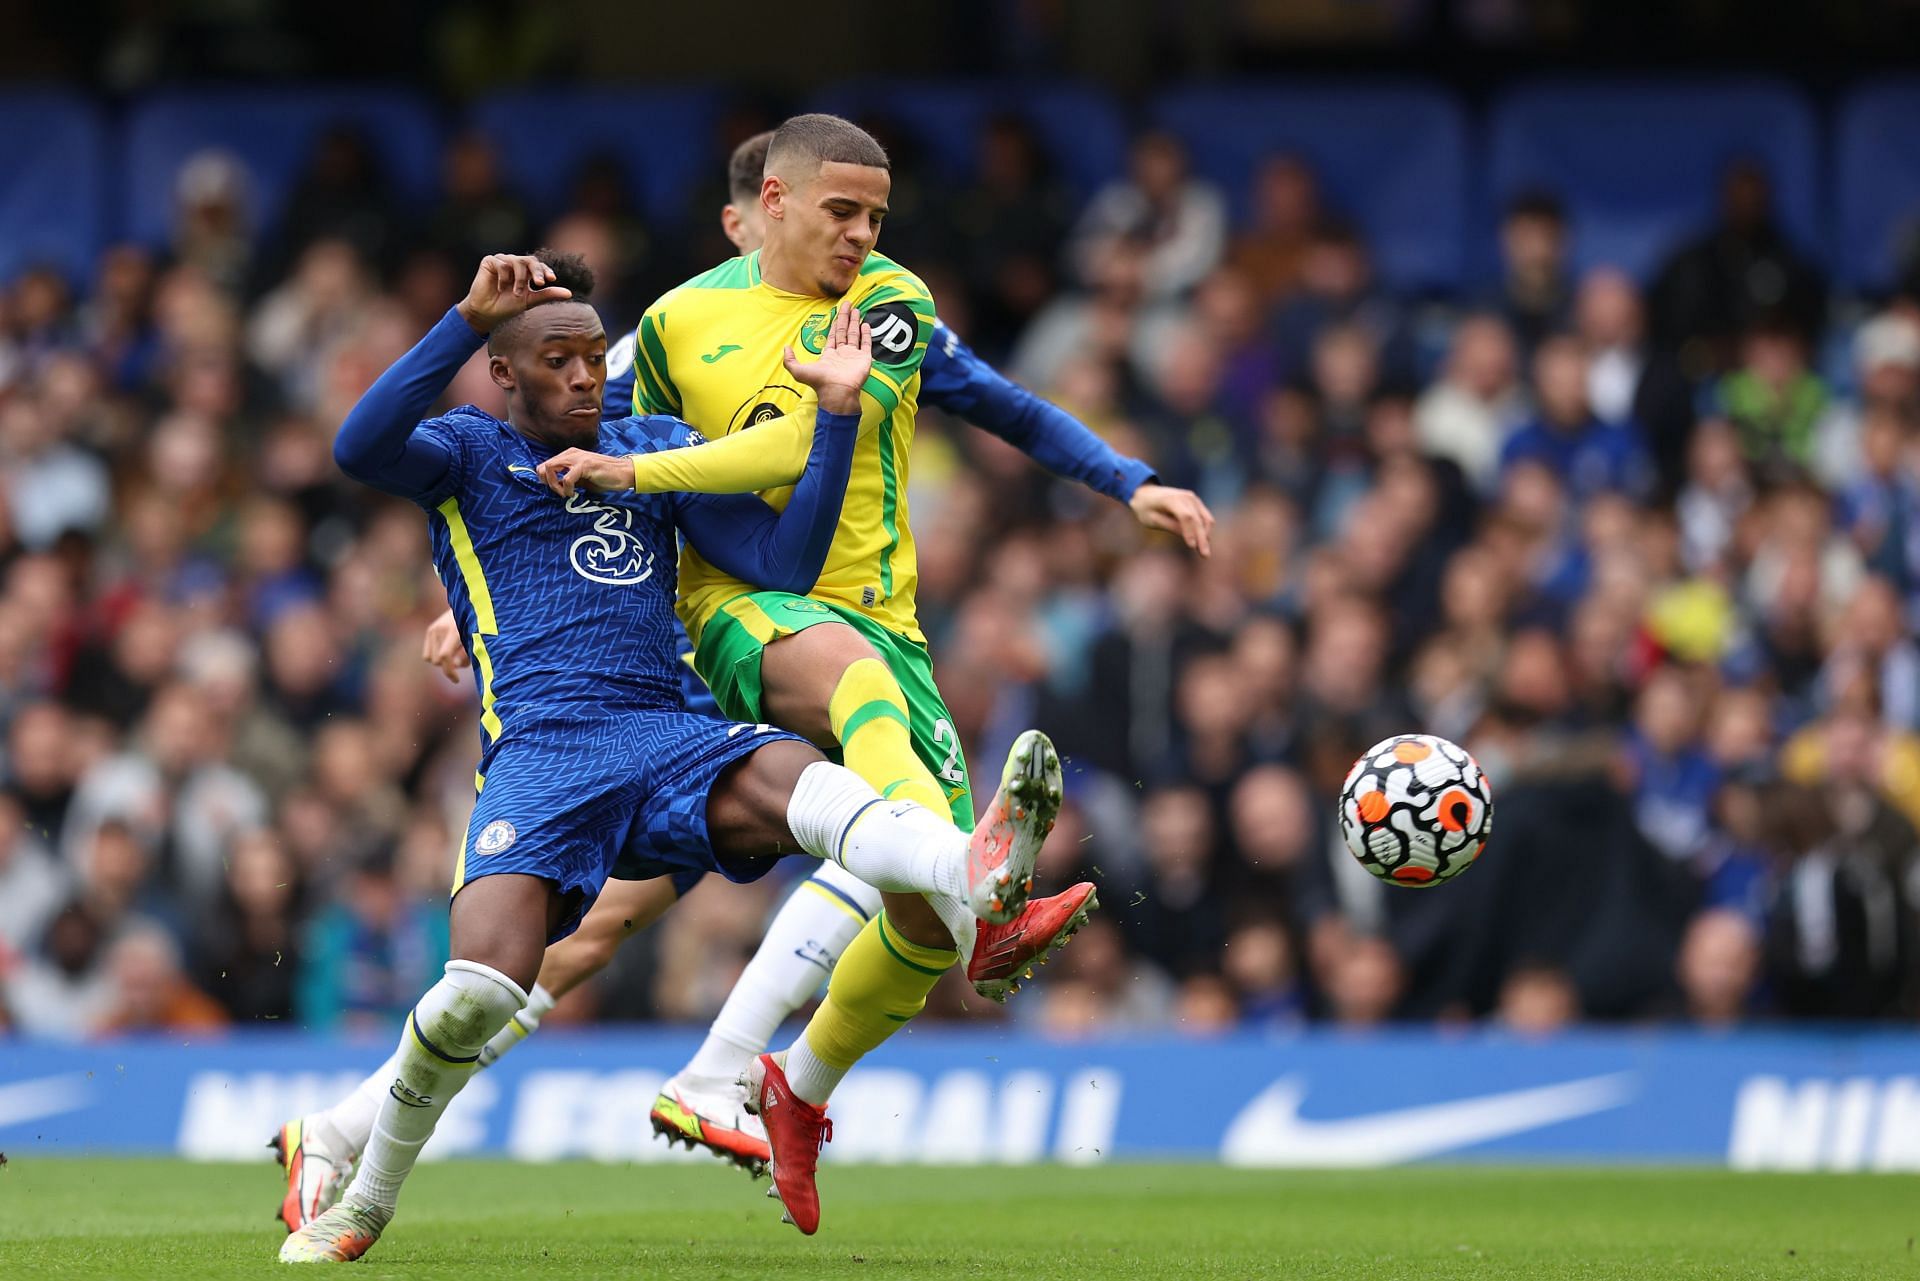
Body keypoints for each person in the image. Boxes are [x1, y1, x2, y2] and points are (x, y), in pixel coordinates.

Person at [433, 124, 1208, 1177]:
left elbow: (995, 409)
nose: (862, 234)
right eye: (842, 212)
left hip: (879, 618)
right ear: (772, 205)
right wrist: (491, 583)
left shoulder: (888, 308)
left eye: (877, 217)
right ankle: (744, 1046)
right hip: (735, 605)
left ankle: (794, 1083)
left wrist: (1129, 480)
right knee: (863, 712)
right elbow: (563, 431)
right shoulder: (677, 322)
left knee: (907, 924)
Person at [277, 251, 1059, 1261]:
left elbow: (785, 563)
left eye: (596, 356)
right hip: (544, 756)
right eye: (557, 360)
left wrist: (832, 420)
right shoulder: (466, 454)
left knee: (802, 780)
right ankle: (366, 1197)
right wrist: (464, 320)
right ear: (506, 374)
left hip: (664, 732)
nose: (584, 377)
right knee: (477, 992)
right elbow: (357, 444)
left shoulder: (654, 451)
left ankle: (972, 867)